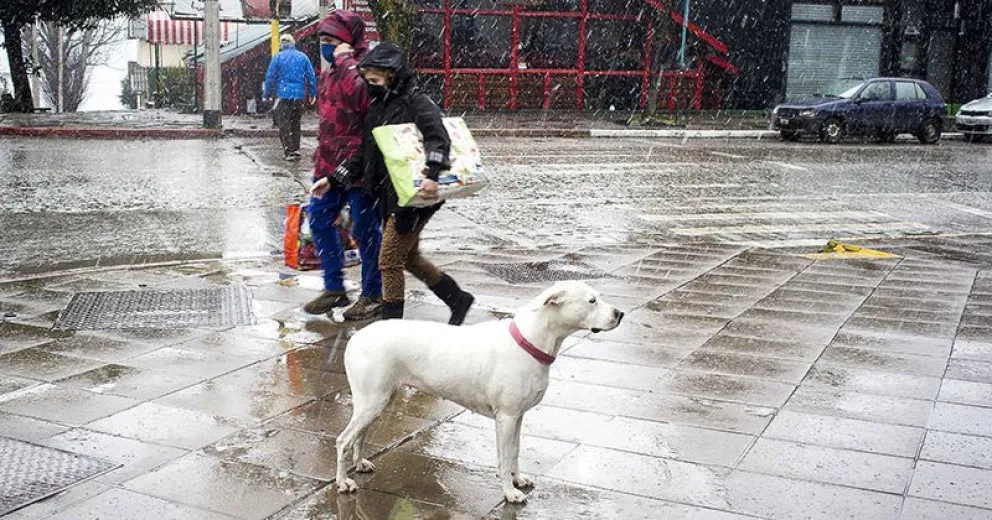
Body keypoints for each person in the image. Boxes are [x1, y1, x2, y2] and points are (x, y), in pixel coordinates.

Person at [351, 41, 475, 323]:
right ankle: (458, 298)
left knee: (389, 260)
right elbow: (366, 152)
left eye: (376, 72)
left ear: (392, 73)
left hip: (415, 196)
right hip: (389, 193)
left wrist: (432, 174)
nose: (369, 77)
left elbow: (438, 137)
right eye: (367, 71)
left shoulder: (415, 101)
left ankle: (391, 326)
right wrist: (336, 178)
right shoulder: (377, 106)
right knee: (409, 258)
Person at [304, 10, 383, 321]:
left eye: (332, 41)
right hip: (328, 164)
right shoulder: (330, 72)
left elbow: (365, 98)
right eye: (322, 40)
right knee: (319, 219)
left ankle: (373, 294)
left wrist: (348, 61)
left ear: (350, 41)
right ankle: (334, 287)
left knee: (366, 230)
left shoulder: (367, 68)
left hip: (359, 166)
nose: (326, 47)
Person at [263, 33, 317, 161]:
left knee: (284, 123)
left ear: (282, 44)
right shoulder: (303, 57)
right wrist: (313, 93)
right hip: (298, 96)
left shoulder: (278, 57)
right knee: (296, 123)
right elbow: (311, 77)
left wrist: (267, 94)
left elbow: (270, 78)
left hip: (282, 95)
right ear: (293, 43)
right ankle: (296, 149)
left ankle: (288, 151)